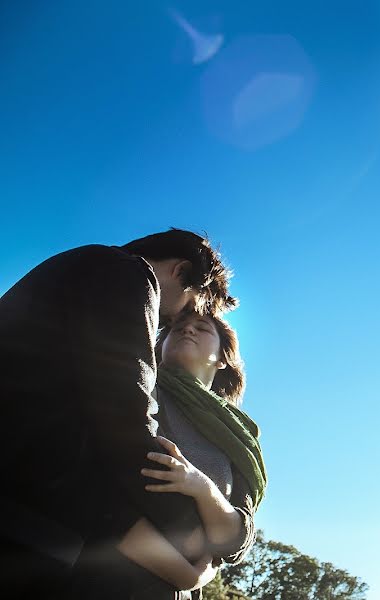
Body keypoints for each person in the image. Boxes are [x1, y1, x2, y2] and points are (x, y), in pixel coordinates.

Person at [0, 229, 237, 598]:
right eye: (178, 314)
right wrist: (187, 528)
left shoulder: (90, 269)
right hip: (30, 511)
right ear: (180, 271)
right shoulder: (127, 274)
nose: (164, 322)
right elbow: (126, 414)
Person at [113, 311, 266, 598]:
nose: (188, 330)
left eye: (202, 328)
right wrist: (186, 574)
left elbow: (233, 539)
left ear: (223, 359)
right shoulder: (141, 389)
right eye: (177, 327)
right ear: (160, 349)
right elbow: (106, 490)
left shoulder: (238, 434)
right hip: (104, 577)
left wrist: (201, 487)